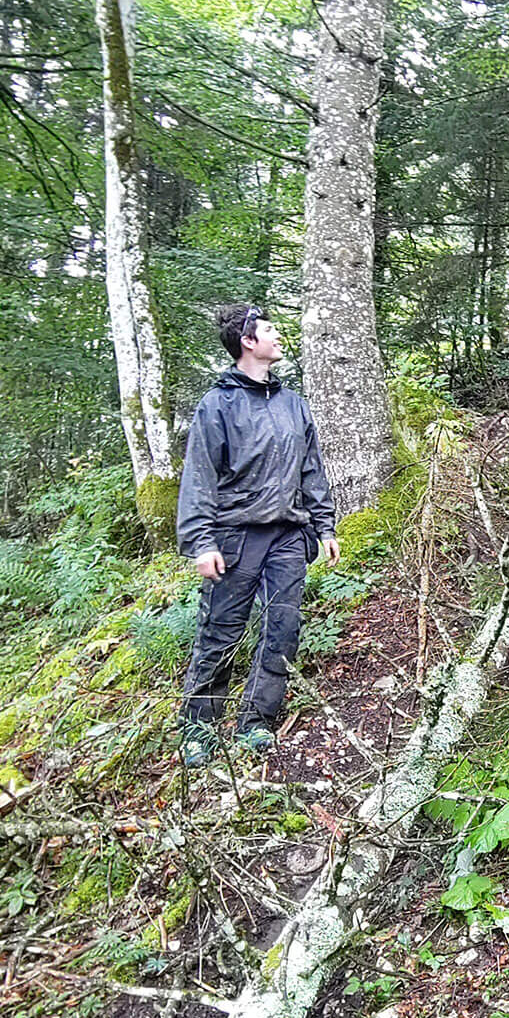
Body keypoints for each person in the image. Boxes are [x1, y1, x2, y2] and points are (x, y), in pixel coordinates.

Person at [173, 304, 341, 765]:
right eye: (269, 330)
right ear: (248, 341)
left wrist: (325, 526)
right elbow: (200, 476)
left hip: (289, 533)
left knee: (283, 629)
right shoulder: (218, 404)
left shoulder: (293, 404)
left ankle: (256, 724)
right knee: (220, 634)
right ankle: (198, 731)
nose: (278, 336)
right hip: (234, 536)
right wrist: (201, 541)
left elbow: (312, 469)